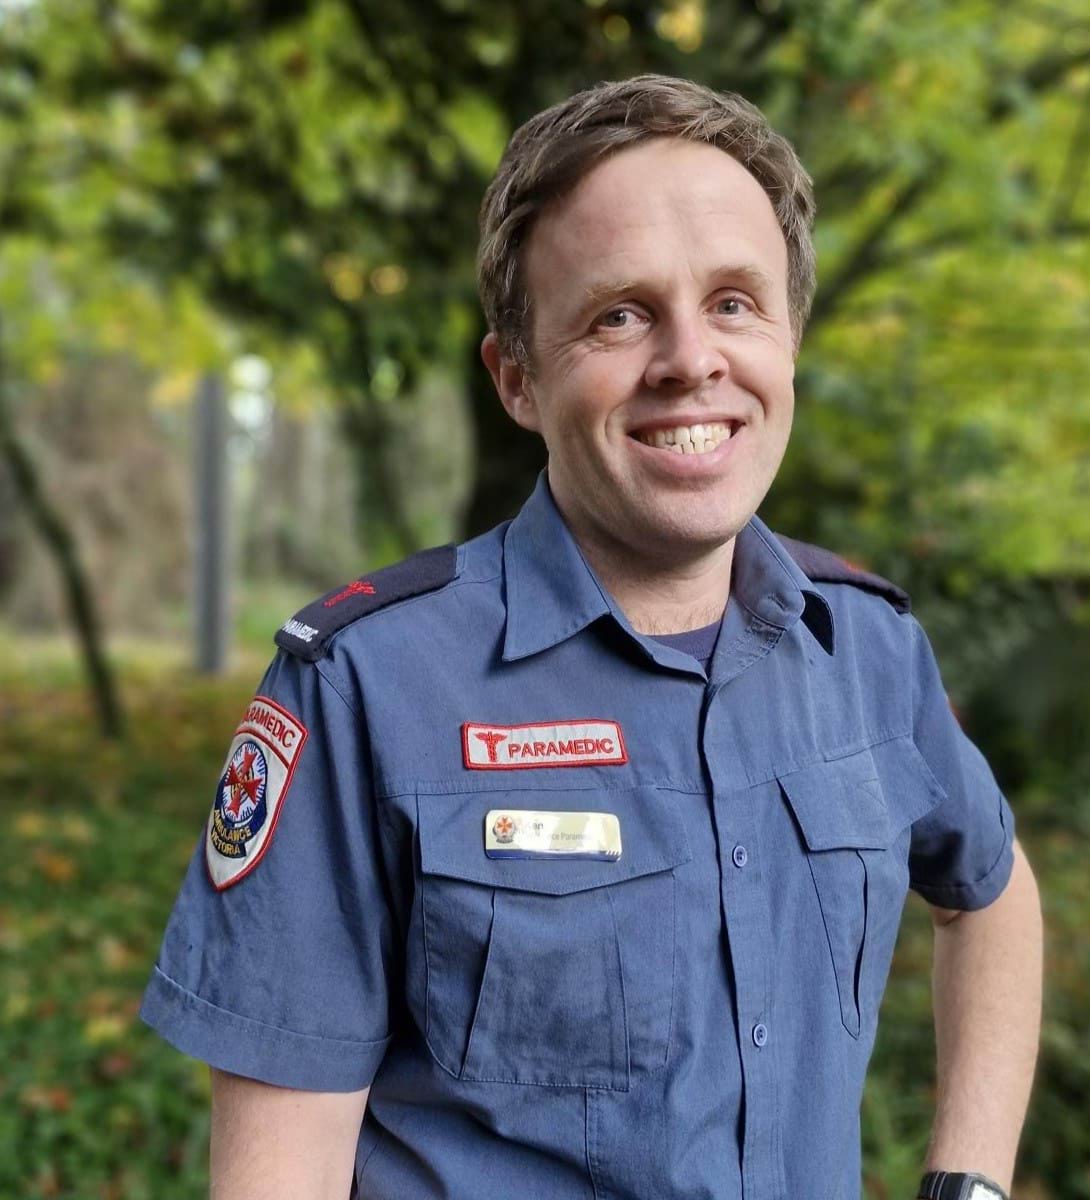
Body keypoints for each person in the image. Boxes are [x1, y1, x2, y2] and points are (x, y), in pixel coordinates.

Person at [140, 74, 1043, 1200]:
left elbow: (993, 894)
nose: (690, 360)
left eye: (733, 302)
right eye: (619, 314)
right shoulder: (369, 686)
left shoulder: (865, 649)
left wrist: (973, 1186)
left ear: (789, 339)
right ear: (517, 377)